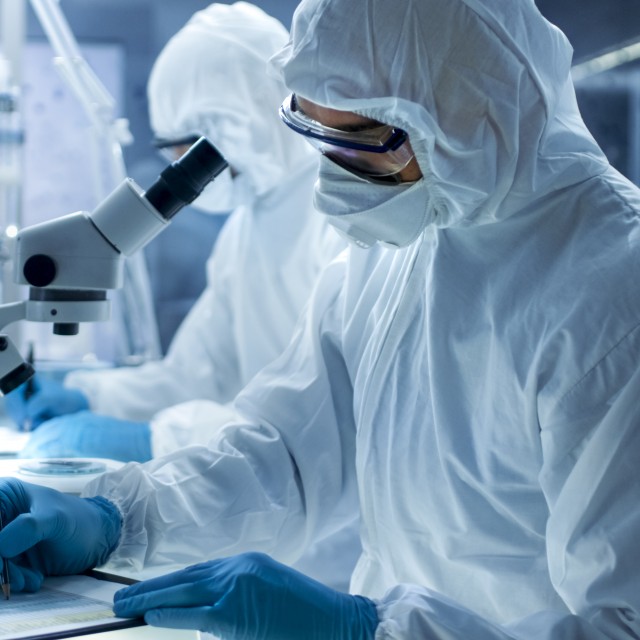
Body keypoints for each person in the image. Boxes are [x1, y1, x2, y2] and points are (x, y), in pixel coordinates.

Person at [2, 0, 640, 638]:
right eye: (315, 138)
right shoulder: (405, 241)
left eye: (357, 148)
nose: (333, 189)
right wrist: (116, 517)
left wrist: (363, 629)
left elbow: (620, 624)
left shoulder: (611, 289)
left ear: (472, 117)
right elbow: (288, 452)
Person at [4, 2, 359, 593]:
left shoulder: (345, 221)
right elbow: (197, 374)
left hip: (333, 558)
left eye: (178, 151)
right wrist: (86, 396)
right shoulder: (248, 230)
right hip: (262, 519)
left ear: (225, 131)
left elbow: (324, 437)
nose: (172, 169)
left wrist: (151, 440)